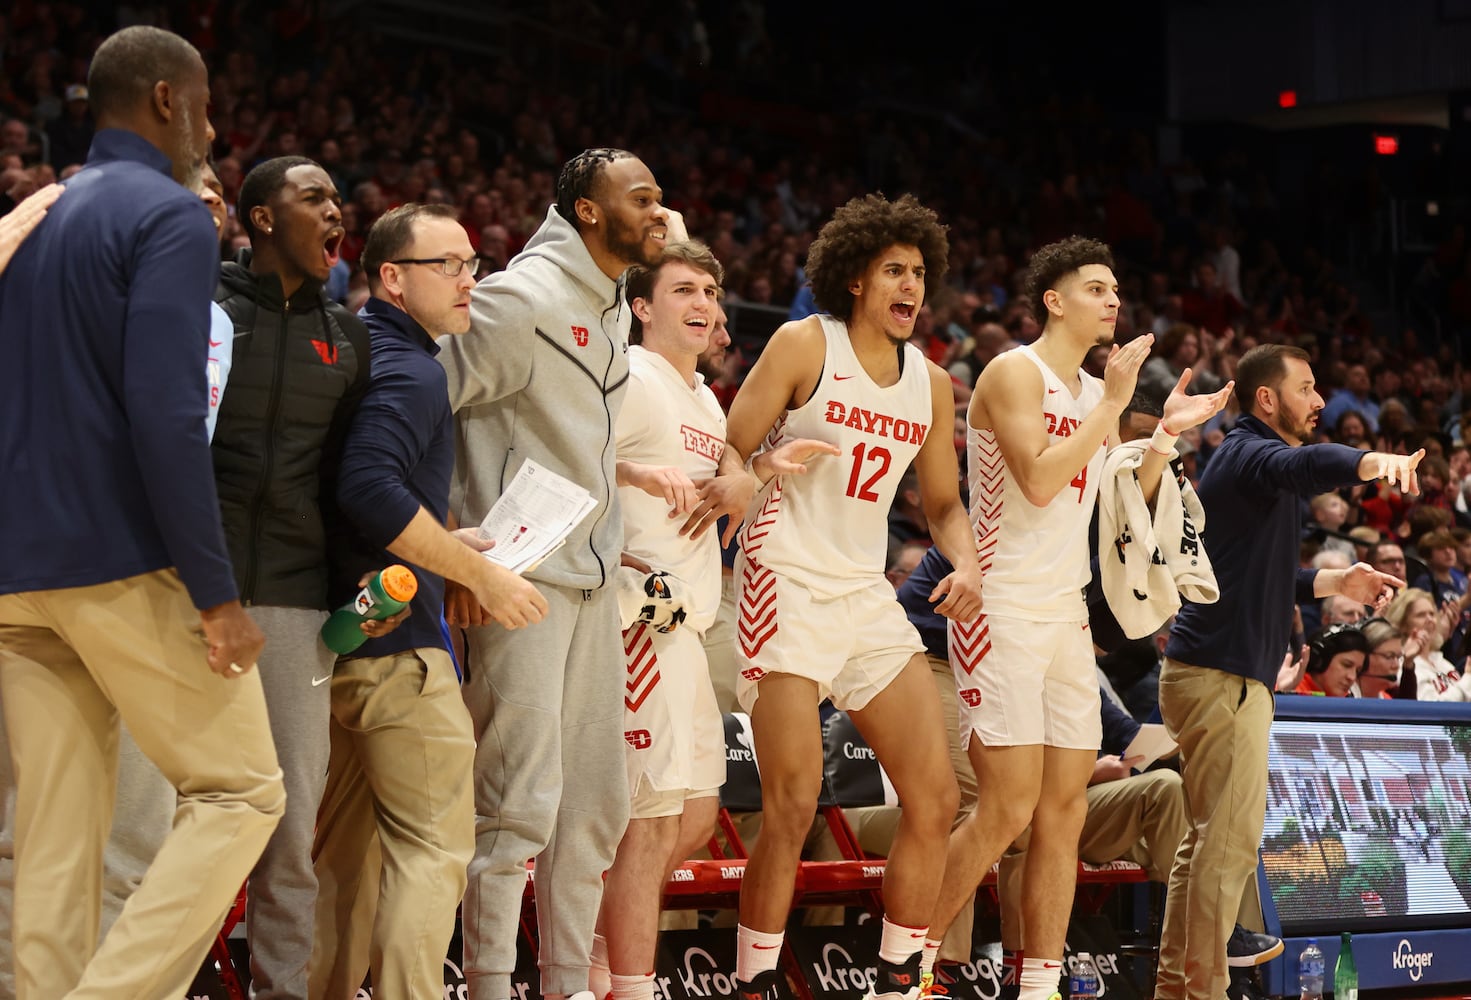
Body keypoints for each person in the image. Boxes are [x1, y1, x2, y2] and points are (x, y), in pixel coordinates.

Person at [0, 25, 285, 999]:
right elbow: (166, 416)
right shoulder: (166, 217)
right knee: (244, 790)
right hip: (117, 556)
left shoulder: (38, 220)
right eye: (204, 105)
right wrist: (215, 592)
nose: (208, 126)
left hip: (16, 574)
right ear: (167, 99)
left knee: (51, 842)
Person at [932, 236, 1230, 1000]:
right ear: (1053, 300)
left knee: (1062, 815)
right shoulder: (1012, 372)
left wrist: (1159, 435)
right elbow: (1035, 480)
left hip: (1063, 618)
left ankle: (1036, 985)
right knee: (1005, 809)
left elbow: (1111, 490)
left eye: (1116, 288)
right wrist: (1111, 406)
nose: (1112, 300)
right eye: (1096, 287)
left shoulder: (1088, 391)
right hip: (998, 608)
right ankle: (907, 966)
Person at [720, 193, 980, 1000]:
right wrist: (754, 473)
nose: (910, 285)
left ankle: (900, 976)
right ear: (856, 279)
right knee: (792, 801)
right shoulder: (807, 343)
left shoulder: (931, 383)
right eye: (893, 270)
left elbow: (939, 504)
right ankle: (756, 982)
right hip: (780, 579)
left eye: (918, 273)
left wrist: (965, 562)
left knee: (934, 797)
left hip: (862, 592)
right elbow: (728, 446)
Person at [437, 147, 680, 1000]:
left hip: (590, 584)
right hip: (517, 585)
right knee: (514, 807)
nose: (659, 211)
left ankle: (567, 984)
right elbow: (416, 407)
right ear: (586, 209)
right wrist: (449, 548)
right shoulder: (518, 298)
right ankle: (490, 986)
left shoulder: (611, 306)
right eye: (640, 197)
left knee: (594, 809)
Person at [310, 203, 549, 998]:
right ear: (390, 277)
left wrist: (453, 542)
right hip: (397, 652)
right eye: (445, 265)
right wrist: (481, 576)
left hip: (331, 641)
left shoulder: (348, 350)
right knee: (432, 849)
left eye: (470, 263)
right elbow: (369, 491)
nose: (466, 281)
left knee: (343, 861)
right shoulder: (414, 371)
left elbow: (362, 494)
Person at [1157, 343, 1419, 1000]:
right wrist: (1370, 462)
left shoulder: (1248, 468)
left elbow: (1255, 577)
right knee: (1228, 847)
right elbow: (1308, 466)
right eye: (1306, 388)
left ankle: (1174, 989)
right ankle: (1199, 992)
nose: (1320, 401)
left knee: (1205, 848)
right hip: (1219, 677)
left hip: (1210, 674)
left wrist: (1336, 579)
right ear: (1266, 398)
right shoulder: (1250, 453)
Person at [212, 154, 372, 1000]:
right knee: (164, 813)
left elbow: (347, 484)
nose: (335, 210)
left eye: (338, 199)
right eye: (314, 197)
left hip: (297, 603)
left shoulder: (347, 337)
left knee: (288, 823)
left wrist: (357, 595)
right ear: (264, 217)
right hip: (187, 596)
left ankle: (280, 990)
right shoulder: (199, 311)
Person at [589, 241, 729, 1000]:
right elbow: (566, 454)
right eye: (681, 289)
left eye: (708, 289)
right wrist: (632, 478)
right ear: (641, 308)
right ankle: (624, 983)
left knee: (696, 816)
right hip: (640, 622)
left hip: (691, 628)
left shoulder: (705, 397)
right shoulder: (633, 377)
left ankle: (592, 952)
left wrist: (756, 474)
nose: (701, 300)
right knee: (645, 823)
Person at [1290, 624, 1370, 697]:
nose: (1352, 677)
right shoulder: (1291, 694)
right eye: (1346, 665)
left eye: (1357, 671)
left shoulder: (1348, 699)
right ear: (1319, 661)